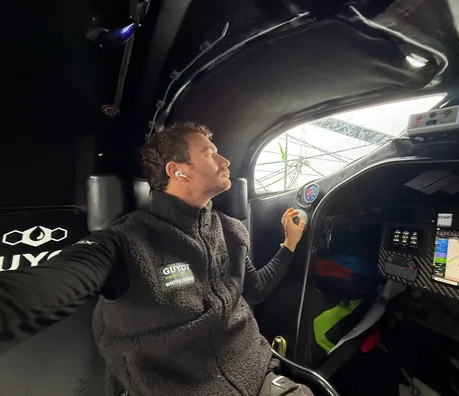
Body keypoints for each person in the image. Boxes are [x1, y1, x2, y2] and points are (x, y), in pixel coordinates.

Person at [0, 122, 312, 396]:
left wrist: (289, 244)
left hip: (260, 376)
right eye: (209, 153)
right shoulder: (127, 240)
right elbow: (48, 285)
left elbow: (255, 289)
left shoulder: (232, 230)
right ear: (178, 170)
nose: (225, 160)